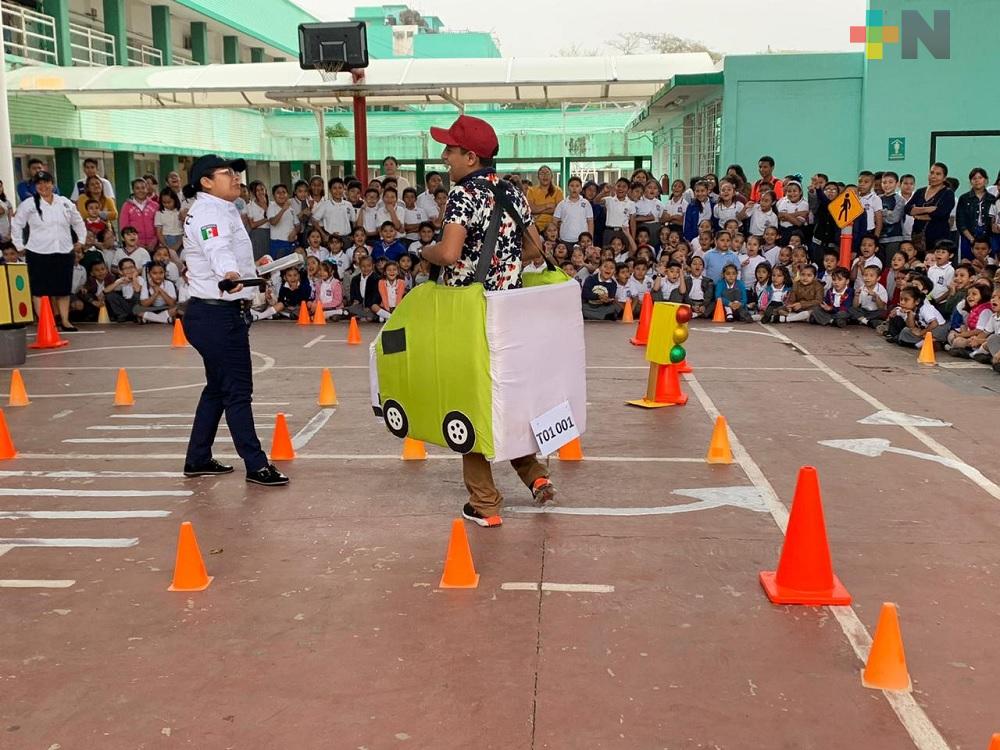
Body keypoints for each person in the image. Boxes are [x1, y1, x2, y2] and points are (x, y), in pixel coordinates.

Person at [419, 114, 556, 527]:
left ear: (471, 157)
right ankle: (535, 475)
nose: (444, 157)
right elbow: (536, 252)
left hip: (468, 314)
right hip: (508, 313)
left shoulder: (462, 195)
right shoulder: (514, 193)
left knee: (469, 404)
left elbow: (448, 253)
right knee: (507, 399)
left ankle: (485, 502)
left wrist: (424, 250)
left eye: (450, 150)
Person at [180, 154, 288, 487]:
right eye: (227, 173)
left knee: (217, 389)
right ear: (206, 182)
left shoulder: (223, 208)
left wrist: (254, 272)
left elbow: (229, 250)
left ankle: (198, 458)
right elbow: (217, 249)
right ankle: (256, 465)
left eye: (236, 172)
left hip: (216, 312)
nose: (236, 177)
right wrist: (229, 272)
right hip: (216, 314)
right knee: (238, 391)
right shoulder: (209, 213)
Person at [10, 169, 86, 332]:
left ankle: (65, 321)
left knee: (63, 288)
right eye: (39, 183)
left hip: (63, 250)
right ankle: (46, 322)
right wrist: (19, 245)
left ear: (52, 184)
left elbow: (78, 221)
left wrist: (81, 240)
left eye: (46, 182)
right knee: (39, 289)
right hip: (38, 252)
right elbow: (17, 224)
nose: (43, 186)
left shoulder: (64, 202)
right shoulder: (29, 204)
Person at [906, 162, 957, 256]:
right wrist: (927, 209)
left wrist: (918, 214)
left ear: (944, 177)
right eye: (932, 173)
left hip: (938, 235)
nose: (933, 176)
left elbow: (941, 214)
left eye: (938, 174)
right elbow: (907, 209)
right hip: (918, 236)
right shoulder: (920, 191)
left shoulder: (947, 193)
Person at [119, 178, 158, 250]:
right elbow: (124, 228)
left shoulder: (155, 205)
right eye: (137, 188)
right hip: (134, 246)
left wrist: (154, 242)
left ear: (147, 189)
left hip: (154, 246)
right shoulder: (126, 206)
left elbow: (159, 226)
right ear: (133, 190)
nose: (141, 191)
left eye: (143, 188)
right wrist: (136, 243)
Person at [526, 166, 563, 235]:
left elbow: (558, 210)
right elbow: (531, 209)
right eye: (542, 173)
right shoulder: (531, 190)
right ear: (538, 177)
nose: (545, 176)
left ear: (551, 176)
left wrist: (538, 210)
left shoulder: (558, 191)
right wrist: (547, 206)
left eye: (547, 173)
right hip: (535, 227)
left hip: (553, 228)